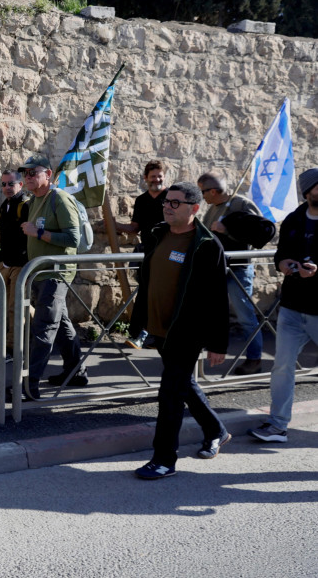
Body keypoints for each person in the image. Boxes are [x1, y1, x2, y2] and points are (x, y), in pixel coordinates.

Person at [130, 182, 230, 479]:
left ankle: (164, 459)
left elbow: (218, 299)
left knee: (170, 394)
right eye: (166, 202)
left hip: (186, 332)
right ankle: (216, 429)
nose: (167, 207)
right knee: (183, 383)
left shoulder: (207, 245)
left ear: (194, 208)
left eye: (175, 203)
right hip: (158, 328)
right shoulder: (158, 234)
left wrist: (217, 343)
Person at [248, 168, 318, 443]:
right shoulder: (293, 220)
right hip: (291, 308)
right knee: (282, 366)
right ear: (309, 191)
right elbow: (280, 254)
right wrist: (284, 265)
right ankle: (277, 425)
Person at [14, 154, 84, 398]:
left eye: (34, 172)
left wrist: (39, 233)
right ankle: (76, 371)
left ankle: (29, 385)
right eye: (25, 173)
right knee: (61, 323)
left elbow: (74, 239)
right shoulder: (34, 200)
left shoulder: (60, 199)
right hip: (41, 272)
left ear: (48, 174)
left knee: (43, 328)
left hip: (56, 273)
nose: (28, 177)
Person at [198, 172, 265, 375]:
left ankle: (254, 359)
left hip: (239, 268)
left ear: (213, 191)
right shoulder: (212, 210)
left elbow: (260, 232)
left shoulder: (241, 204)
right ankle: (204, 355)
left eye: (203, 192)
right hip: (217, 268)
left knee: (245, 316)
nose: (203, 197)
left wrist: (226, 229)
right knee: (209, 312)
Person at [118, 161, 167, 349]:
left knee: (162, 295)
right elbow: (135, 227)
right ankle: (142, 334)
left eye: (160, 175)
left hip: (169, 253)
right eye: (153, 176)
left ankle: (155, 334)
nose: (157, 179)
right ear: (146, 178)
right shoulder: (141, 200)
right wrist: (115, 226)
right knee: (146, 293)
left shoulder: (171, 197)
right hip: (148, 253)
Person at [0, 170, 30, 355]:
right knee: (6, 307)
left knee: (14, 309)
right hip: (6, 263)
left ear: (20, 184)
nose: (7, 188)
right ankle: (42, 326)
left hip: (20, 264)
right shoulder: (5, 206)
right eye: (3, 184)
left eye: (11, 184)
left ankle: (13, 350)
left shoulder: (25, 205)